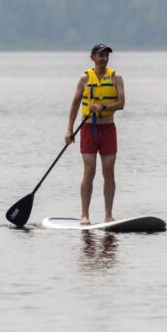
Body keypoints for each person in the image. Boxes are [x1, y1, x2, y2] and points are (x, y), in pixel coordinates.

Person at [65, 43, 125, 225]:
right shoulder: (84, 79)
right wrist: (69, 129)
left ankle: (108, 215)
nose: (104, 59)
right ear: (92, 57)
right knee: (89, 171)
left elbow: (121, 103)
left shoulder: (116, 78)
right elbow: (75, 103)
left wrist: (103, 107)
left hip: (108, 129)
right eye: (101, 56)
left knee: (109, 173)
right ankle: (85, 215)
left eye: (107, 56)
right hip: (88, 129)